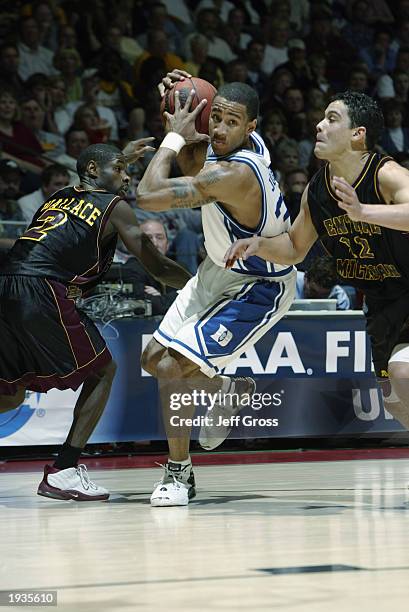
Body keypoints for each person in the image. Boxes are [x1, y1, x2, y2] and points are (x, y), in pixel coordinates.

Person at [0, 138, 192, 502]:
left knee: (10, 394)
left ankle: (65, 470)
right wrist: (199, 284)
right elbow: (154, 263)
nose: (126, 176)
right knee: (103, 372)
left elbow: (93, 169)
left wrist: (118, 157)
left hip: (8, 286)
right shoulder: (114, 206)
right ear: (93, 171)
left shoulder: (58, 197)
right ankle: (64, 470)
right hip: (42, 289)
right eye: (119, 169)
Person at [137, 71, 296, 506]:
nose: (220, 130)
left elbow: (148, 195)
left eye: (232, 122)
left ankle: (178, 474)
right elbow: (195, 157)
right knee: (152, 359)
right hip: (218, 268)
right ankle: (226, 390)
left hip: (258, 284)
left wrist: (171, 136)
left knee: (171, 367)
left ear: (252, 128)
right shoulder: (236, 146)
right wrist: (179, 102)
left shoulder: (235, 173)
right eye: (216, 118)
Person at [224, 90, 409, 433]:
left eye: (332, 119)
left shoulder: (386, 174)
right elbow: (295, 247)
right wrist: (259, 244)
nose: (319, 125)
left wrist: (363, 211)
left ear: (358, 134)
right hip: (384, 304)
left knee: (403, 375)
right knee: (394, 400)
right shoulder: (318, 190)